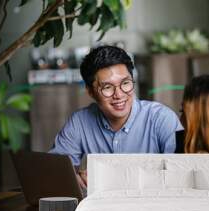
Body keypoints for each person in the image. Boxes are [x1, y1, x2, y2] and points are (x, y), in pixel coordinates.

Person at [50, 45, 183, 190]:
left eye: (125, 83)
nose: (119, 95)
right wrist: (69, 178)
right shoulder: (79, 122)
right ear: (90, 92)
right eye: (107, 87)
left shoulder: (162, 118)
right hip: (101, 210)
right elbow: (52, 170)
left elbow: (181, 176)